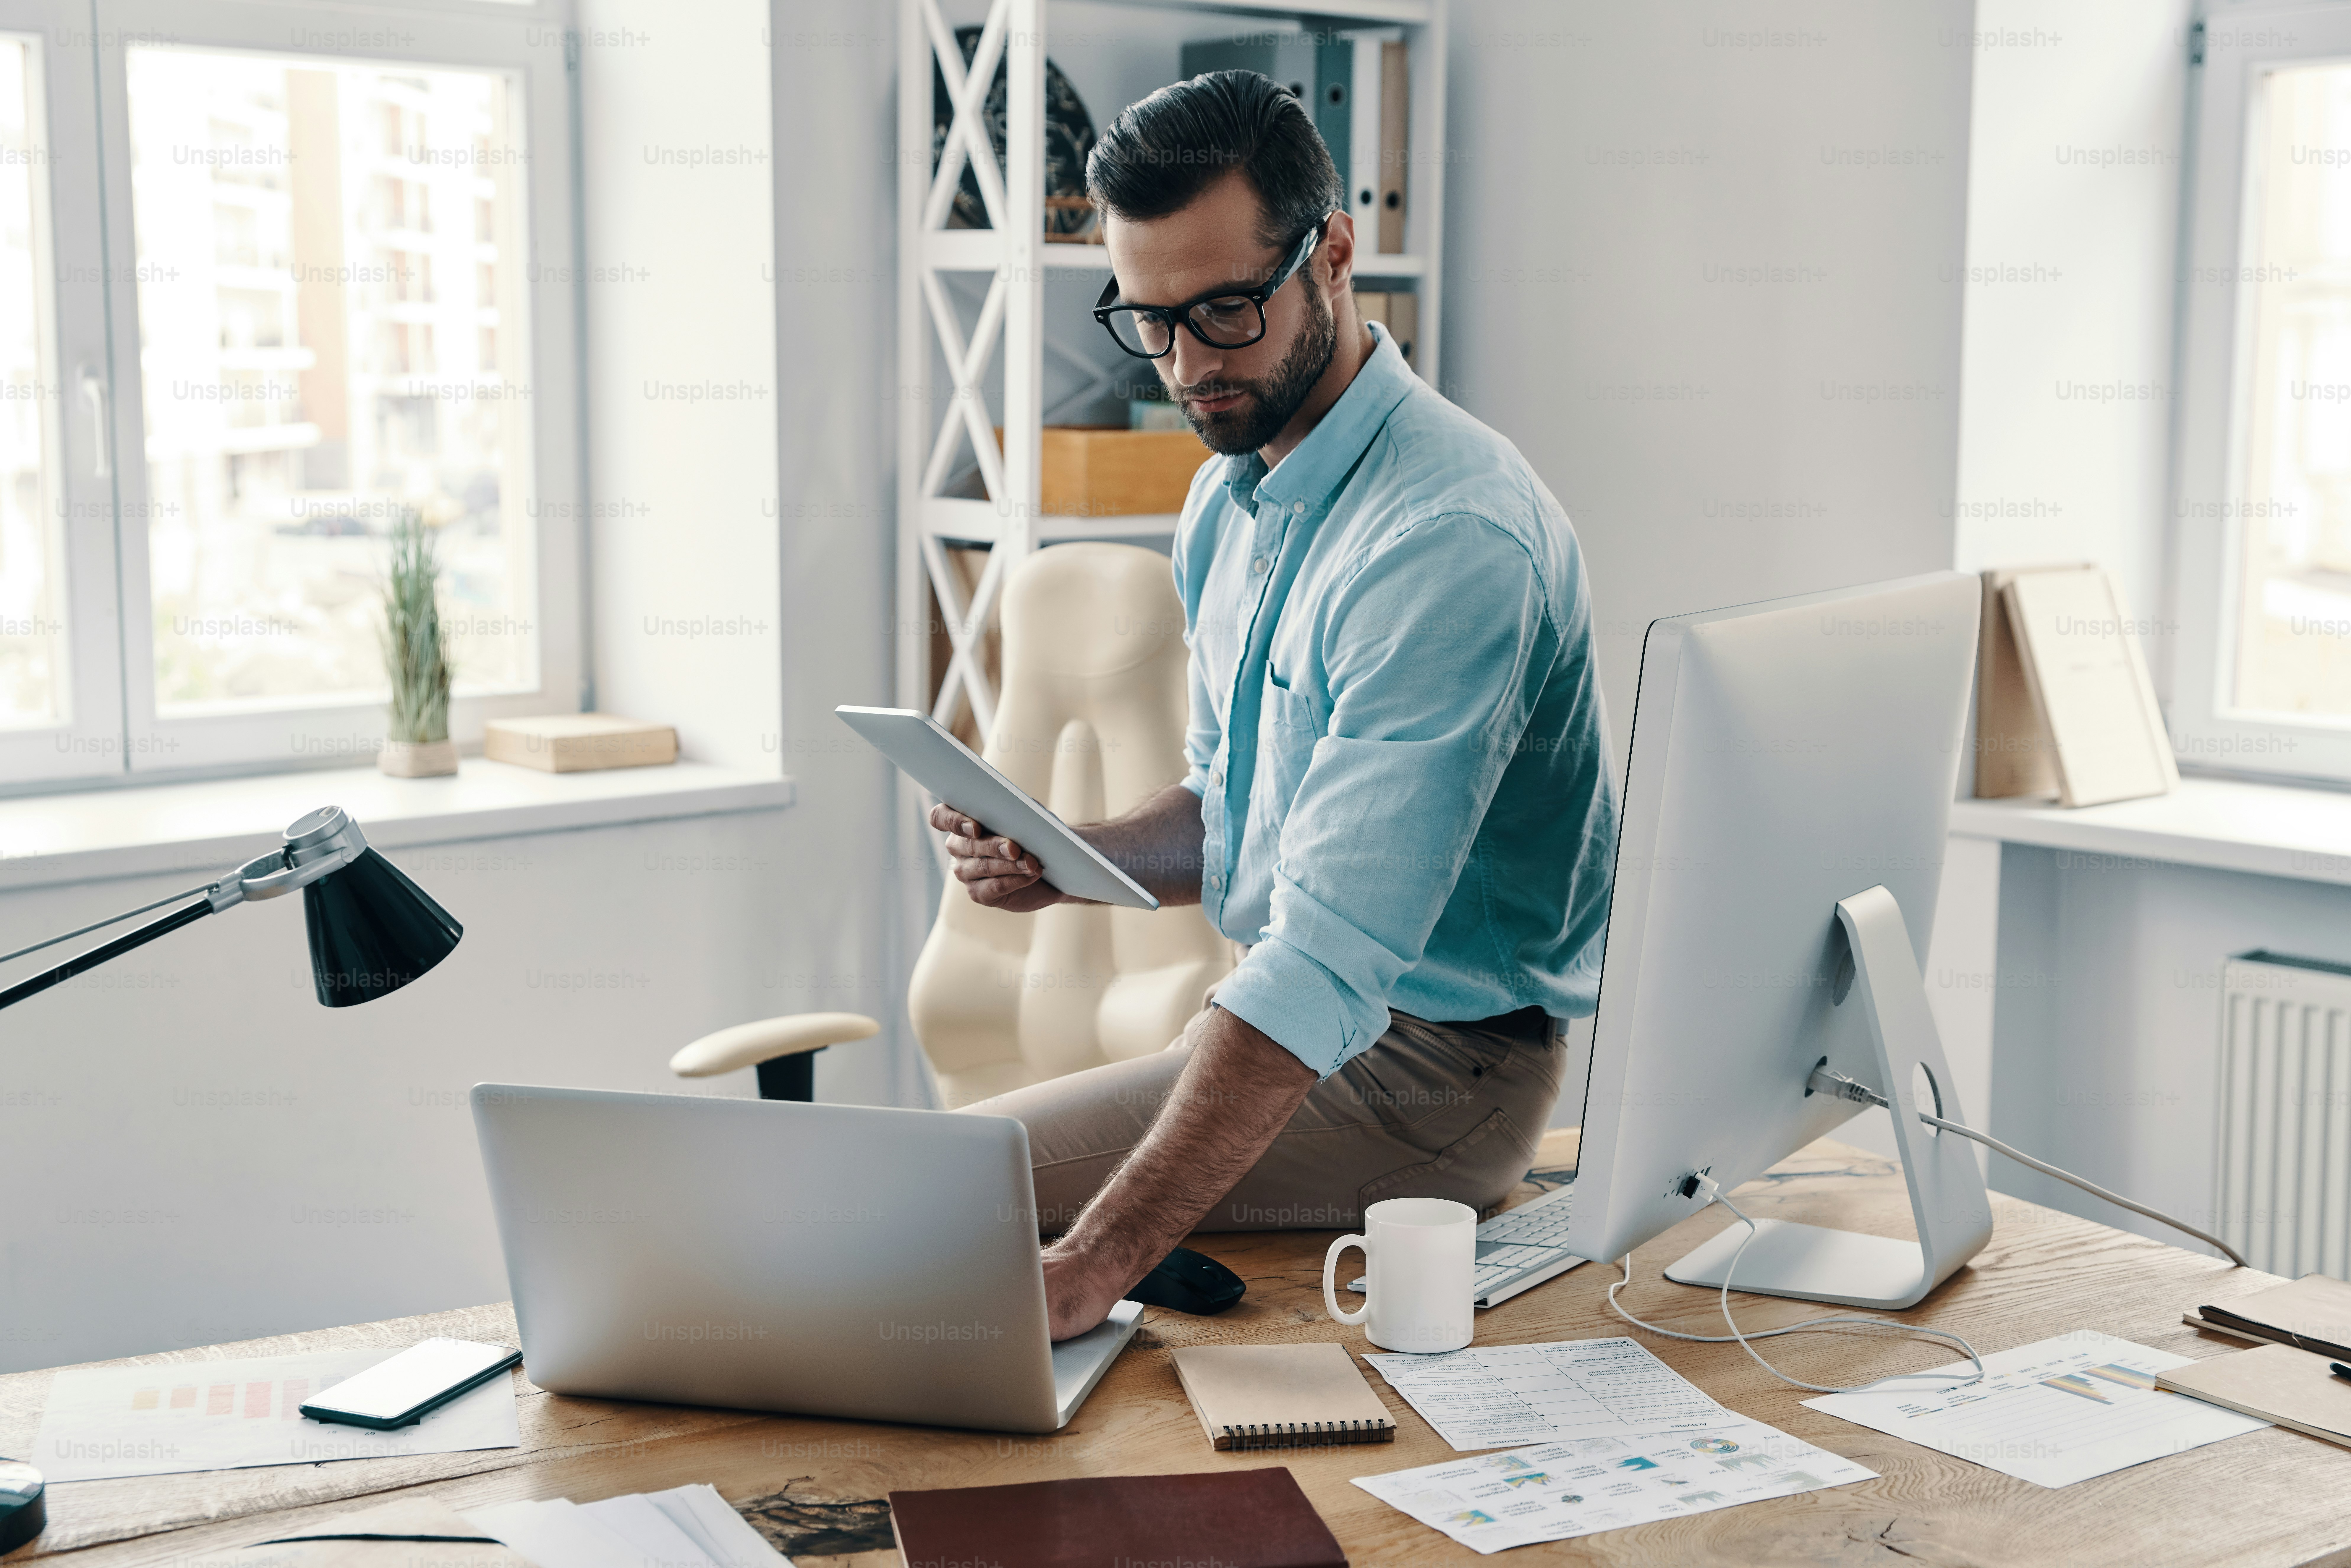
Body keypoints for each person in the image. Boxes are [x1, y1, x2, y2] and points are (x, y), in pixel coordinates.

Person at [930, 70, 1617, 1340]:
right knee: (924, 1188)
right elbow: (1229, 812)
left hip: (1434, 1081)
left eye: (1227, 310)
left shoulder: (1447, 541)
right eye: (1150, 321)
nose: (1189, 368)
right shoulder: (1232, 496)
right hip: (1304, 1033)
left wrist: (1095, 1259)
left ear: (1335, 255)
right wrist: (1071, 858)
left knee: (924, 1195)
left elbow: (1324, 958)